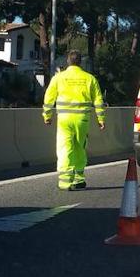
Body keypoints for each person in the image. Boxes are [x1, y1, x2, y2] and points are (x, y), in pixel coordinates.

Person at [42, 50, 106, 191]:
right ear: (80, 62)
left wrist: (47, 116)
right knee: (80, 147)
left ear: (68, 61)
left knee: (65, 148)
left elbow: (48, 98)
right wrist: (101, 119)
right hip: (82, 119)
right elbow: (98, 100)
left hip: (64, 119)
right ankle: (79, 179)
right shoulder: (89, 78)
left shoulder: (59, 78)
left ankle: (65, 182)